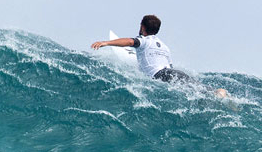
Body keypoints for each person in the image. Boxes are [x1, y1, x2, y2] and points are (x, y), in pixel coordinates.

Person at [91, 15, 228, 97]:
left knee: (192, 91)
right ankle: (220, 93)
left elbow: (130, 41)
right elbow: (170, 66)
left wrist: (106, 43)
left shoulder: (143, 40)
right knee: (198, 89)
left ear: (142, 27)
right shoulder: (164, 46)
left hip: (161, 75)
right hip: (173, 72)